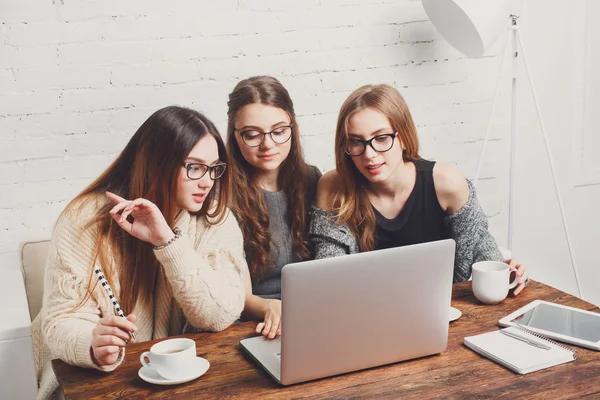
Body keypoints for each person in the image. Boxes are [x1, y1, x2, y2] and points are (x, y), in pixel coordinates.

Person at [33, 106, 247, 400]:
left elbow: (218, 316)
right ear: (159, 164)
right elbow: (59, 321)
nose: (208, 181)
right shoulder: (84, 220)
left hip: (183, 382)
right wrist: (92, 344)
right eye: (195, 167)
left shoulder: (216, 220)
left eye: (214, 168)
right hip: (99, 384)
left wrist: (167, 241)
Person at [310, 84, 528, 292]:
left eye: (382, 138)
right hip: (365, 312)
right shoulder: (334, 187)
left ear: (403, 137)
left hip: (442, 309)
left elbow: (479, 243)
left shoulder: (447, 183)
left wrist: (504, 272)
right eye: (356, 142)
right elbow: (330, 273)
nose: (369, 154)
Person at [226, 76, 321, 339]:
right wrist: (268, 306)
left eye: (279, 131)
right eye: (252, 135)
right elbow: (230, 294)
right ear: (235, 136)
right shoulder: (222, 195)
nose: (268, 145)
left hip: (313, 313)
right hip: (255, 324)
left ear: (292, 127)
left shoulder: (312, 179)